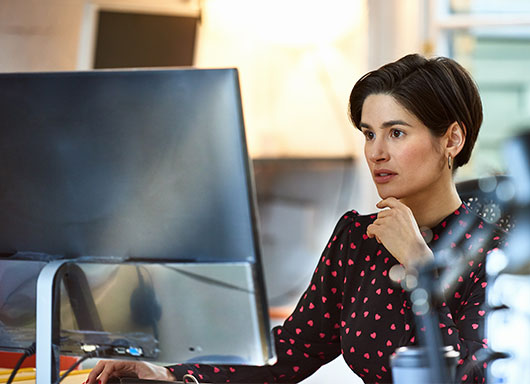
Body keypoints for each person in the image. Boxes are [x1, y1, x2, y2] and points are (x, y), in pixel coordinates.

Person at [85, 53, 509, 384]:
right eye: (368, 133)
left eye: (396, 133)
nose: (376, 152)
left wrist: (422, 267)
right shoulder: (357, 239)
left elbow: (470, 377)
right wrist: (172, 372)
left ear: (452, 139)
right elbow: (290, 352)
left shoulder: (499, 252)